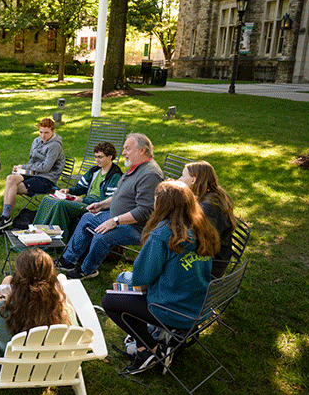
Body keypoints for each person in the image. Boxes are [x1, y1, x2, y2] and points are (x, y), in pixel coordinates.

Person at [101, 180, 220, 374]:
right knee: (124, 281)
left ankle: (149, 349)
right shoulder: (201, 228)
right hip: (198, 306)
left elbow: (141, 277)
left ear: (163, 205)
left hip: (171, 309)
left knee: (109, 301)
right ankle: (160, 343)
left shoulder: (163, 234)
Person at [58, 133, 163, 280]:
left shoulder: (150, 174)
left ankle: (87, 270)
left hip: (137, 227)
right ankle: (68, 260)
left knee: (103, 235)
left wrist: (115, 221)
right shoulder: (135, 168)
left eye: (127, 149)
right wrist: (101, 205)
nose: (123, 152)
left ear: (142, 151)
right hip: (116, 216)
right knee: (88, 217)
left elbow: (145, 211)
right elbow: (120, 195)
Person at [0, 248, 78, 354]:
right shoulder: (64, 310)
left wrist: (4, 303)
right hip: (54, 366)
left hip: (11, 366)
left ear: (19, 278)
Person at [32, 142, 122, 241]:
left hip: (94, 207)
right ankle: (35, 233)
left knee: (61, 204)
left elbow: (108, 201)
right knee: (48, 199)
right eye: (96, 157)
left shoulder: (115, 176)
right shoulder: (94, 171)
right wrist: (68, 190)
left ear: (110, 157)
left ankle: (57, 240)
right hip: (85, 201)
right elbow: (80, 187)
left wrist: (82, 201)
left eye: (100, 157)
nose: (97, 160)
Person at [0, 118, 65, 232]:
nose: (43, 136)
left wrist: (24, 167)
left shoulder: (55, 146)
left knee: (13, 187)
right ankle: (5, 218)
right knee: (10, 179)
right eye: (41, 132)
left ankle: (5, 218)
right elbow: (32, 162)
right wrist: (20, 169)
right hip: (33, 174)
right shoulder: (36, 141)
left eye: (46, 132)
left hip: (46, 179)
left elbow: (46, 168)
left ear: (53, 131)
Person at [178, 161, 236, 278]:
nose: (179, 179)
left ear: (193, 180)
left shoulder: (209, 207)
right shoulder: (210, 195)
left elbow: (194, 239)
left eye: (183, 176)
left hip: (211, 264)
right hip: (210, 254)